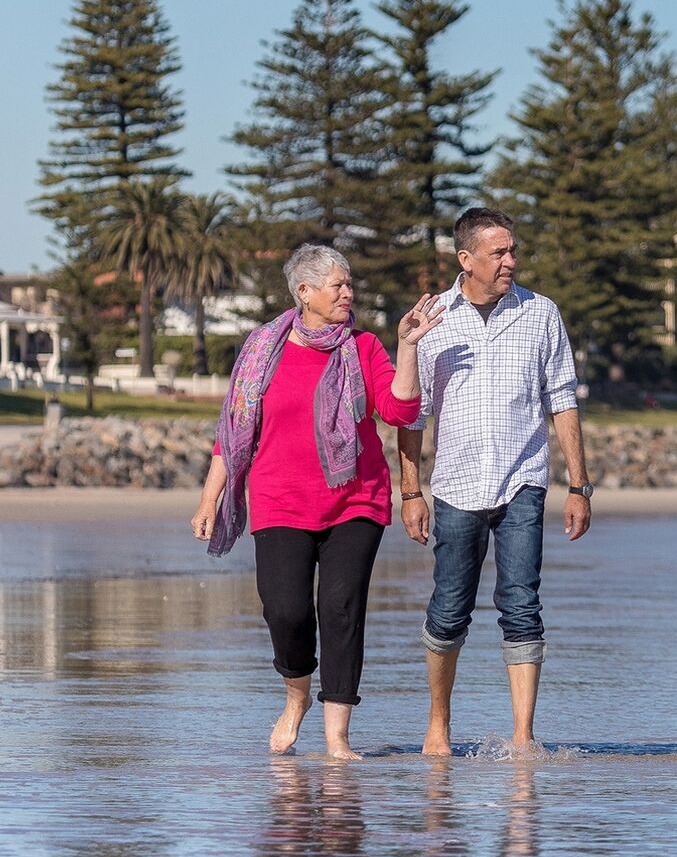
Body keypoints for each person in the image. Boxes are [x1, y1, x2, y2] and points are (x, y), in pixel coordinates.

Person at [191, 244, 444, 759]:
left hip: (357, 498)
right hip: (279, 499)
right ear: (304, 293)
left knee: (341, 608)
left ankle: (337, 736)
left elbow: (397, 410)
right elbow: (234, 431)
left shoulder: (365, 347)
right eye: (337, 285)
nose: (348, 293)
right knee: (284, 611)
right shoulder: (263, 348)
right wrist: (210, 498)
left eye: (350, 284)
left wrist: (410, 347)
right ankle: (297, 695)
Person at [397, 206, 593, 757]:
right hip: (455, 486)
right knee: (449, 606)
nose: (511, 261)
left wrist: (579, 485)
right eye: (499, 252)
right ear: (466, 259)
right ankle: (438, 724)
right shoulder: (432, 318)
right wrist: (410, 492)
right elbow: (410, 413)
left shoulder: (541, 313)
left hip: (523, 481)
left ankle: (524, 736)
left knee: (522, 603)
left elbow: (562, 402)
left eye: (513, 251)